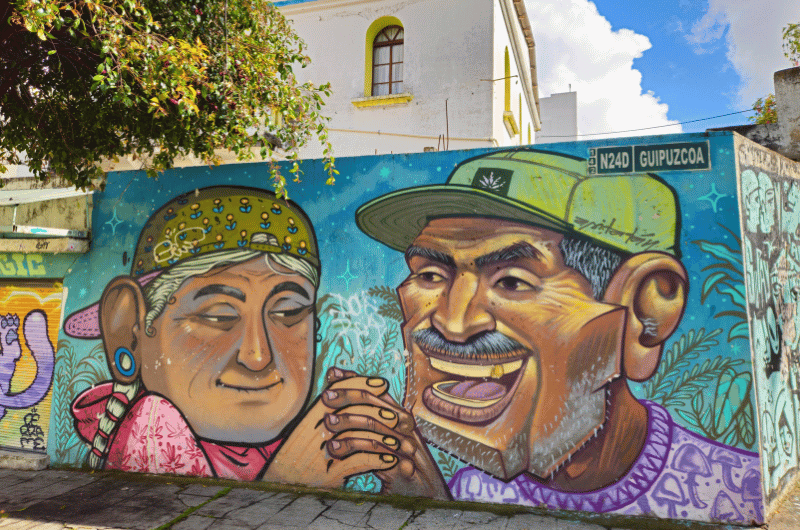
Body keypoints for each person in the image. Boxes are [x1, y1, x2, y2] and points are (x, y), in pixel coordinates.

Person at [355, 149, 763, 524]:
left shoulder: (733, 490)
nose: (454, 323)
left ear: (645, 309)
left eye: (512, 281)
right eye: (430, 275)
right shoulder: (469, 487)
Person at [65, 186, 427, 488]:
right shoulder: (152, 427)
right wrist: (289, 476)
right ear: (130, 330)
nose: (257, 356)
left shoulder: (276, 445)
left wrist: (420, 487)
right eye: (219, 317)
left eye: (289, 313)